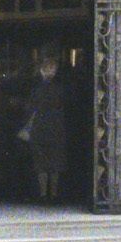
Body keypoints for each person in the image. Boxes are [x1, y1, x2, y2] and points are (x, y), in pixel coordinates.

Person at [20, 48, 69, 203]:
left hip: (40, 128)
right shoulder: (60, 88)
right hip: (56, 129)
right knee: (53, 164)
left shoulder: (36, 87)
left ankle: (43, 195)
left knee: (41, 163)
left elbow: (29, 107)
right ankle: (53, 195)